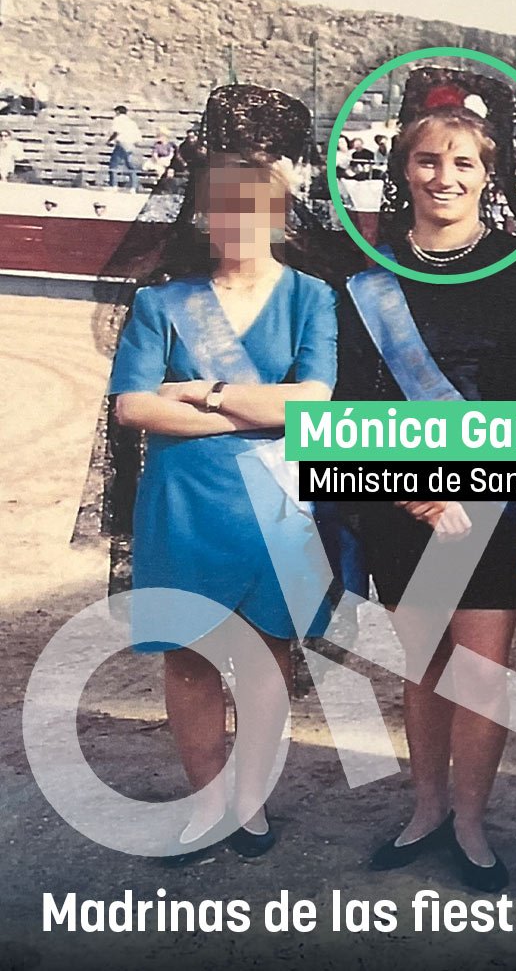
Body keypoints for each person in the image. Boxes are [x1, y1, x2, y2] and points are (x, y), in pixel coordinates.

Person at [98, 85, 341, 864]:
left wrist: (200, 393)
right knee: (192, 662)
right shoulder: (161, 302)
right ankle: (208, 805)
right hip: (182, 510)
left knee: (267, 661)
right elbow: (134, 406)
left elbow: (313, 400)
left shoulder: (312, 297)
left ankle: (251, 803)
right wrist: (251, 409)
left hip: (273, 511)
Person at [337, 68, 516, 893]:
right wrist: (411, 491)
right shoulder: (366, 280)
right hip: (406, 508)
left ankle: (471, 819)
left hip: (492, 507)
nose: (445, 177)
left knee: (481, 671)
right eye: (429, 160)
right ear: (403, 168)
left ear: (488, 173)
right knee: (422, 666)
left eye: (463, 162)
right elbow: (351, 400)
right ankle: (426, 806)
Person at [108, 104, 143, 192]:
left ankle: (114, 185)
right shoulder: (132, 122)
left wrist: (109, 140)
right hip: (131, 144)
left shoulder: (118, 119)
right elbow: (138, 136)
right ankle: (133, 187)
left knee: (113, 165)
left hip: (122, 143)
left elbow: (116, 132)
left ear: (117, 112)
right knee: (130, 166)